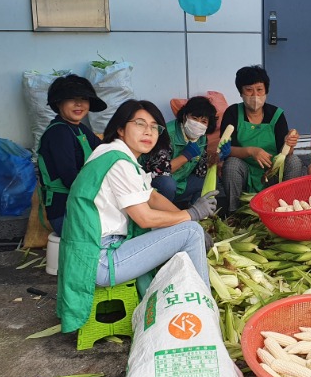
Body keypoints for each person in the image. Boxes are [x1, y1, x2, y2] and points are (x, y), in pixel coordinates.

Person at [56, 99, 217, 333]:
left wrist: (192, 218)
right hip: (99, 259)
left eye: (154, 127)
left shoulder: (117, 155)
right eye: (140, 124)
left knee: (185, 227)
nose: (148, 132)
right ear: (121, 128)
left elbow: (152, 197)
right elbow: (145, 218)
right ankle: (205, 310)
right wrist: (192, 215)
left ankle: (181, 298)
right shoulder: (118, 162)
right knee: (188, 231)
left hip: (96, 252)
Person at [220, 65, 302, 212]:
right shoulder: (232, 113)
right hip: (244, 172)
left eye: (259, 90)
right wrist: (251, 151)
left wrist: (290, 144)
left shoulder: (276, 114)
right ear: (241, 92)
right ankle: (236, 213)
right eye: (249, 90)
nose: (255, 95)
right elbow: (226, 150)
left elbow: (285, 154)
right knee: (231, 165)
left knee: (294, 161)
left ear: (266, 91)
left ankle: (286, 208)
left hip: (271, 171)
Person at [37, 74, 105, 236]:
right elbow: (71, 179)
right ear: (59, 103)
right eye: (71, 98)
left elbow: (104, 151)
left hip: (82, 203)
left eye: (84, 98)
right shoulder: (59, 132)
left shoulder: (80, 129)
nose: (79, 104)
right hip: (66, 212)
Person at [142, 96, 230, 207]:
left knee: (210, 180)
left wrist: (218, 157)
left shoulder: (201, 138)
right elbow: (159, 170)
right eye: (194, 118)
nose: (198, 124)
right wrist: (186, 156)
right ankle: (161, 214)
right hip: (157, 187)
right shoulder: (167, 134)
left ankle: (196, 213)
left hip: (181, 183)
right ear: (184, 117)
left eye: (203, 121)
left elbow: (200, 171)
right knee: (168, 184)